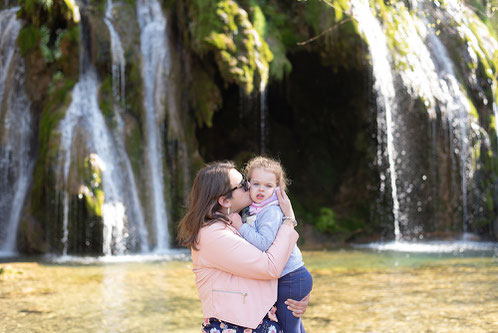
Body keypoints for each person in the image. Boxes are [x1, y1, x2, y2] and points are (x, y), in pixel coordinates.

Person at [177, 161, 310, 332]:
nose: (249, 186)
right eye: (243, 184)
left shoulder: (237, 221)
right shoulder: (213, 235)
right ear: (224, 200)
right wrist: (289, 220)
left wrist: (295, 293)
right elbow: (270, 267)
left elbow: (263, 269)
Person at [230, 156, 313, 333]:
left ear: (277, 190)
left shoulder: (270, 212)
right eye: (256, 184)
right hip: (288, 277)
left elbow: (264, 244)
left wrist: (240, 226)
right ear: (248, 185)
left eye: (268, 186)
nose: (261, 189)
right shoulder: (253, 209)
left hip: (291, 277)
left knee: (288, 327)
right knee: (293, 326)